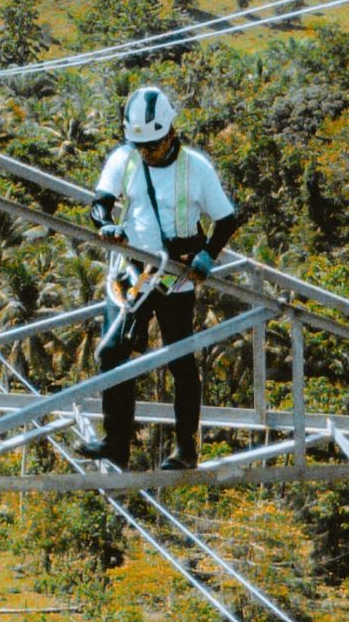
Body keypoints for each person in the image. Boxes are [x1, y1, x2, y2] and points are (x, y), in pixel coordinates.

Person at [73, 85, 243, 471]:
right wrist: (107, 226)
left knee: (180, 359)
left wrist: (207, 254)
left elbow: (225, 218)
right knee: (113, 352)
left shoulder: (195, 168)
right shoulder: (125, 158)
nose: (147, 152)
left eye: (153, 145)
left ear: (170, 133)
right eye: (142, 146)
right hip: (132, 271)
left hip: (176, 275)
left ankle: (186, 450)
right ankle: (116, 442)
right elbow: (100, 203)